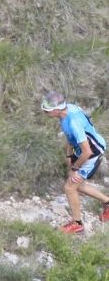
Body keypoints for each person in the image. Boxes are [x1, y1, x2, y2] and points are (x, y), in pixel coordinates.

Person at [41, 90, 109, 233]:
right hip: (84, 150)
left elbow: (87, 151)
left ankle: (77, 224)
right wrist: (69, 157)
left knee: (70, 187)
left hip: (92, 153)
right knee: (79, 184)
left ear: (57, 110)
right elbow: (70, 139)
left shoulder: (73, 122)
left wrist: (75, 168)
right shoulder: (67, 110)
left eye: (47, 110)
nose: (44, 112)